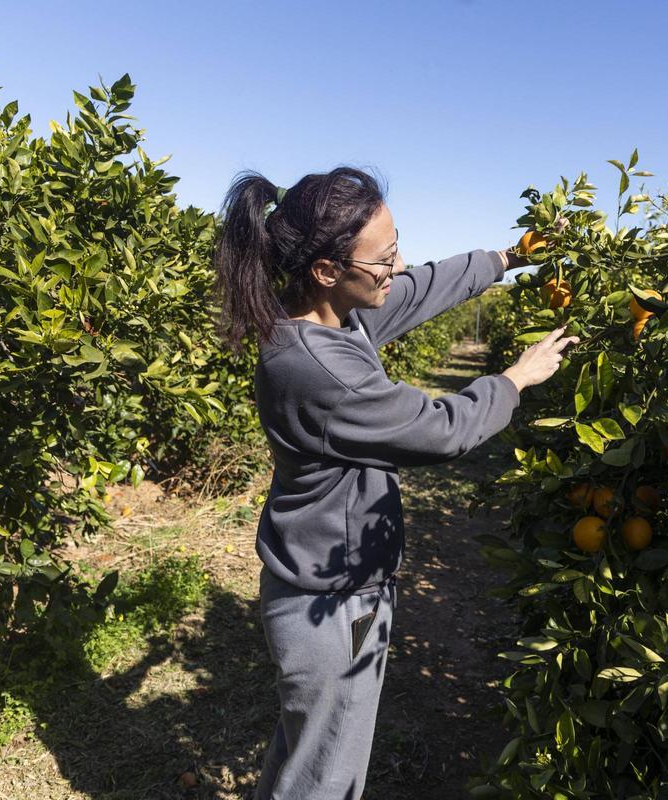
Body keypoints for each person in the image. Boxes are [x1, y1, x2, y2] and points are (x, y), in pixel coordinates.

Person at [213, 166, 576, 800]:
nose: (397, 265)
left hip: (324, 582)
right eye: (383, 258)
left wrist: (508, 257)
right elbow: (441, 430)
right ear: (328, 270)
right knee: (328, 775)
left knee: (305, 758)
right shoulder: (322, 368)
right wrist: (515, 379)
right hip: (333, 603)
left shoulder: (328, 320)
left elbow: (418, 288)